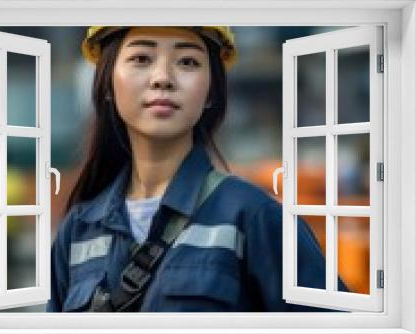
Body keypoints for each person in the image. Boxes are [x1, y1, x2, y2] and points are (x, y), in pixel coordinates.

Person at [47, 26, 348, 312]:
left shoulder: (253, 217)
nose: (162, 78)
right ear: (107, 84)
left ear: (211, 92)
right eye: (141, 58)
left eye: (188, 61)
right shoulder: (77, 231)